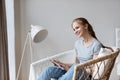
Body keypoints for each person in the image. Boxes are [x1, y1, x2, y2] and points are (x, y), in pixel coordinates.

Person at [37, 17, 105, 80]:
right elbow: (75, 63)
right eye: (74, 29)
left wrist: (75, 69)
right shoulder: (77, 44)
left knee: (76, 67)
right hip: (76, 72)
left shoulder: (96, 45)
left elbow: (94, 70)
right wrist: (62, 64)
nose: (75, 31)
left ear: (85, 26)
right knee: (49, 70)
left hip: (86, 76)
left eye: (77, 28)